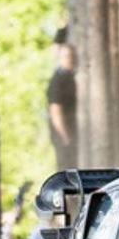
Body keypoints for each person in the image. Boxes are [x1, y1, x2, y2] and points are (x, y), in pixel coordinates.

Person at [47, 41, 78, 171]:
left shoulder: (71, 77)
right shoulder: (58, 80)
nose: (70, 59)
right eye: (66, 56)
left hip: (73, 133)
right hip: (64, 135)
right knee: (67, 170)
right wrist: (65, 137)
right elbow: (55, 111)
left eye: (72, 56)